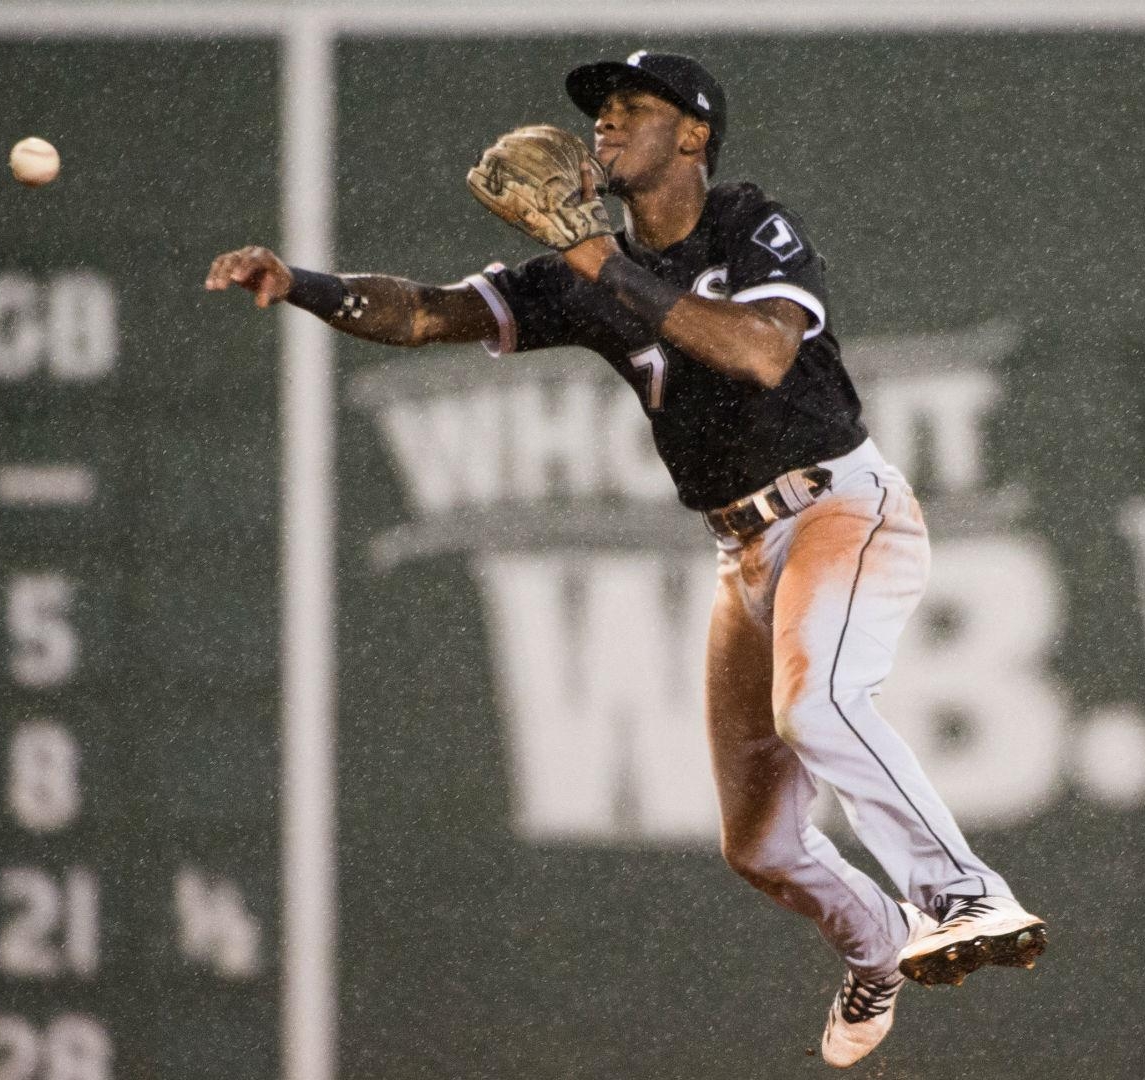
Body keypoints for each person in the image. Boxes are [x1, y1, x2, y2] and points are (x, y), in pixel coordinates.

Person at [205, 50, 1045, 1068]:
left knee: (818, 706)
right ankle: (877, 949)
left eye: (632, 108)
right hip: (742, 553)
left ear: (692, 135)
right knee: (761, 845)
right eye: (600, 111)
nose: (605, 124)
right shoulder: (581, 273)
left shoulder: (746, 224)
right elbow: (427, 311)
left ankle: (963, 891)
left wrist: (601, 260)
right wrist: (300, 285)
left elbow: (762, 354)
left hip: (839, 508)